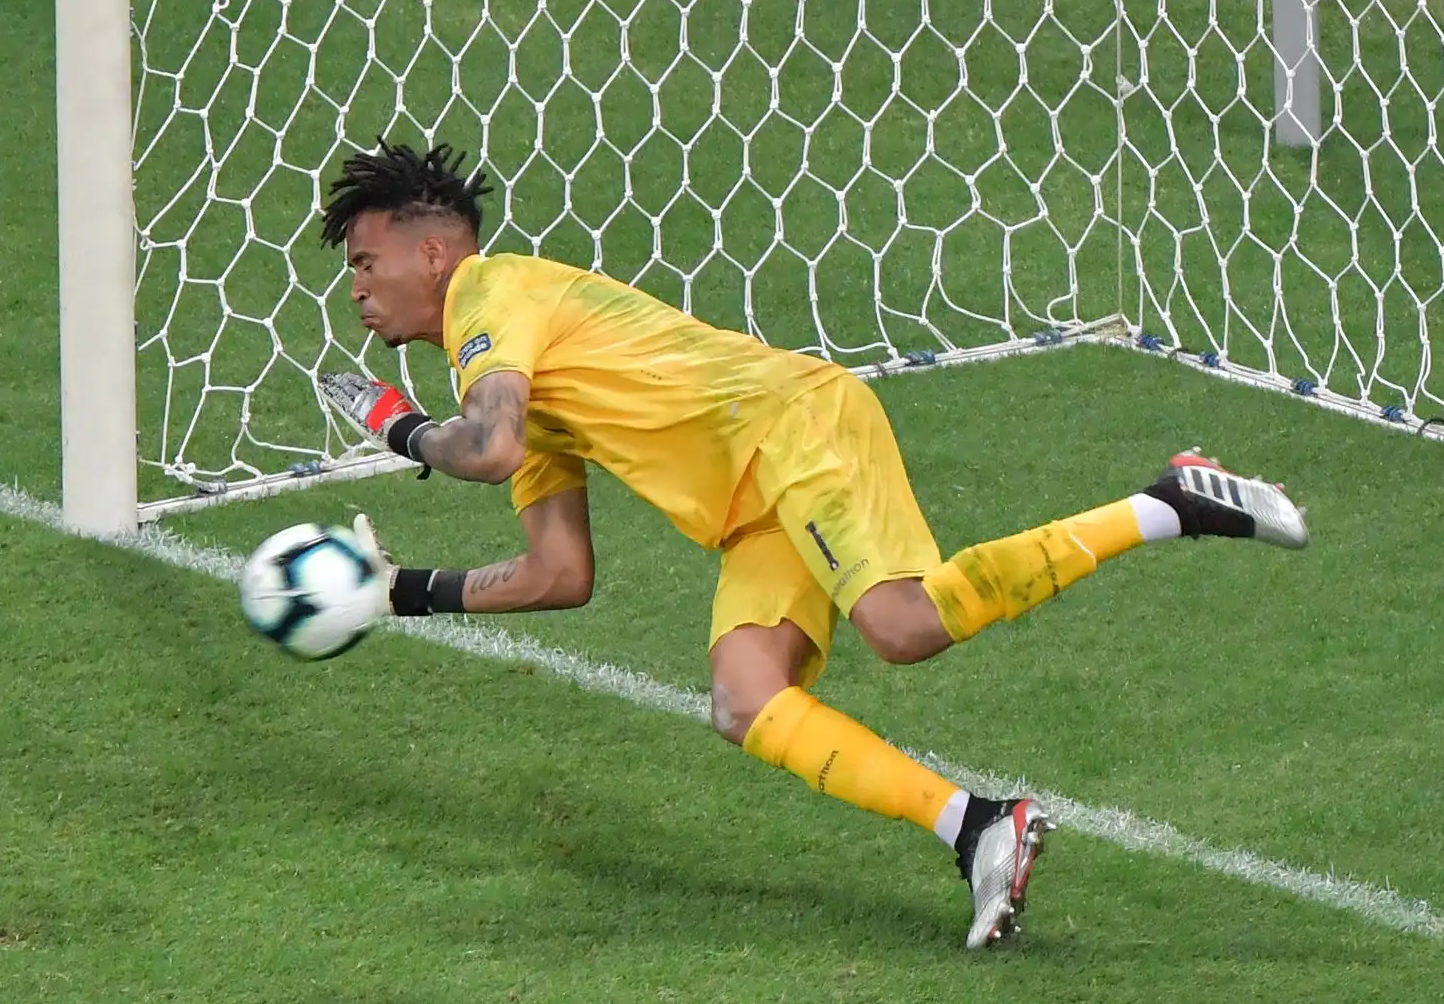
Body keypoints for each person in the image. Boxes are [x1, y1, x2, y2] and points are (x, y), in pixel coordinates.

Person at [314, 139, 1310, 949]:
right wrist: (399, 594)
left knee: (903, 623)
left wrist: (395, 426)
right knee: (746, 699)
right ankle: (976, 827)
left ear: (432, 253)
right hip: (755, 504)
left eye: (365, 261)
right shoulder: (513, 364)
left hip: (793, 426)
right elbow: (557, 572)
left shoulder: (493, 298)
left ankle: (1172, 501)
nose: (357, 288)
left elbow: (482, 449)